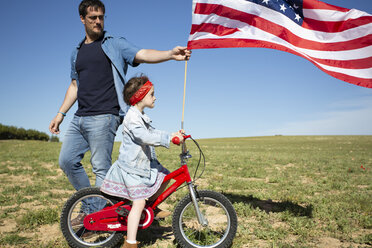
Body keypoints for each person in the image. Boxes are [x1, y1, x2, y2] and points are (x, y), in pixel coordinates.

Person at [48, 0, 190, 213]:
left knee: (101, 169)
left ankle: (99, 218)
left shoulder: (113, 43)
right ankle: (95, 208)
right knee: (66, 161)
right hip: (79, 117)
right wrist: (61, 113)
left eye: (101, 17)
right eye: (92, 18)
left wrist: (169, 54)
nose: (98, 21)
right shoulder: (76, 52)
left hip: (105, 116)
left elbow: (142, 53)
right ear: (82, 19)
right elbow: (74, 85)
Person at [100, 75, 183, 248]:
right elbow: (143, 136)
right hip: (132, 169)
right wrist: (168, 138)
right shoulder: (132, 117)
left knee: (165, 176)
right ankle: (130, 242)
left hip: (143, 165)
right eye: (152, 94)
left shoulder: (141, 115)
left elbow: (153, 131)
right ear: (140, 96)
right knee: (138, 202)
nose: (155, 97)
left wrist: (173, 134)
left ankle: (152, 206)